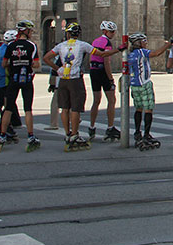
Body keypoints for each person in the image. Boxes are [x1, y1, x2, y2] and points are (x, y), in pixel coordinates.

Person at [42, 22, 122, 150]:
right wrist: (119, 49)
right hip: (75, 79)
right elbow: (102, 54)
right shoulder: (83, 45)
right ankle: (74, 135)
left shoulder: (61, 46)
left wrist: (58, 69)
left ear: (67, 33)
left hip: (63, 78)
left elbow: (46, 58)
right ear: (78, 34)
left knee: (65, 108)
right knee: (76, 108)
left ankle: (67, 134)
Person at [0, 20, 41, 152]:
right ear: (26, 32)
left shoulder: (11, 46)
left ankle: (2, 135)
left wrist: (14, 62)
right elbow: (36, 65)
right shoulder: (32, 46)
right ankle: (30, 136)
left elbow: (4, 64)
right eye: (31, 31)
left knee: (8, 108)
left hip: (13, 79)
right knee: (27, 108)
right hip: (27, 79)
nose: (32, 33)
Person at [127, 32, 173, 149]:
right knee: (148, 109)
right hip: (144, 84)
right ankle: (146, 134)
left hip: (134, 85)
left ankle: (137, 132)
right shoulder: (142, 52)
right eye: (144, 41)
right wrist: (169, 43)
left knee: (138, 109)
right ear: (138, 43)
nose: (146, 43)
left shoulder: (130, 54)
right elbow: (156, 53)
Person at [89, 20, 120, 142]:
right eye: (111, 31)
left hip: (93, 71)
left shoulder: (95, 41)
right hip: (103, 72)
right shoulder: (107, 43)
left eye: (113, 31)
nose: (113, 34)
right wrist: (111, 78)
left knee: (96, 100)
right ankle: (110, 128)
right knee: (111, 100)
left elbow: (91, 57)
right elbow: (106, 61)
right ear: (105, 31)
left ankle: (91, 127)